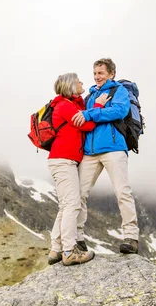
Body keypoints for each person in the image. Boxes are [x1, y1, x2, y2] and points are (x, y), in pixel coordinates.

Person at [72, 58, 140, 254]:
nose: (96, 77)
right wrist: (93, 111)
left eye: (100, 73)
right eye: (94, 73)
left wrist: (91, 114)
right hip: (90, 152)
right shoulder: (91, 95)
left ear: (111, 74)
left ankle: (131, 237)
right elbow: (82, 118)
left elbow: (120, 111)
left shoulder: (118, 91)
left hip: (113, 148)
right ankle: (78, 237)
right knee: (79, 193)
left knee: (122, 191)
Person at [46, 72, 105, 266]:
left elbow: (82, 112)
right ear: (71, 86)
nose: (82, 83)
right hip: (63, 161)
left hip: (63, 160)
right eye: (78, 81)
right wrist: (98, 106)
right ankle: (69, 251)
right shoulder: (65, 106)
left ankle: (56, 249)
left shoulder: (70, 104)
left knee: (66, 206)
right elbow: (87, 125)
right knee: (72, 205)